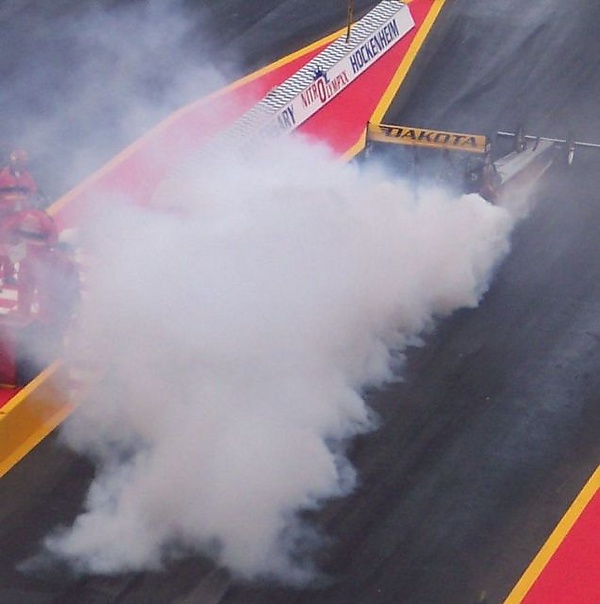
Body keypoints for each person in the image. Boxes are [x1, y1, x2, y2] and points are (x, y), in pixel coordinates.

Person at [5, 209, 81, 384]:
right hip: (43, 312)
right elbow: (25, 287)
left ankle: (51, 367)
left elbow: (64, 298)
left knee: (50, 330)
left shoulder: (60, 263)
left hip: (55, 311)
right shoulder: (28, 255)